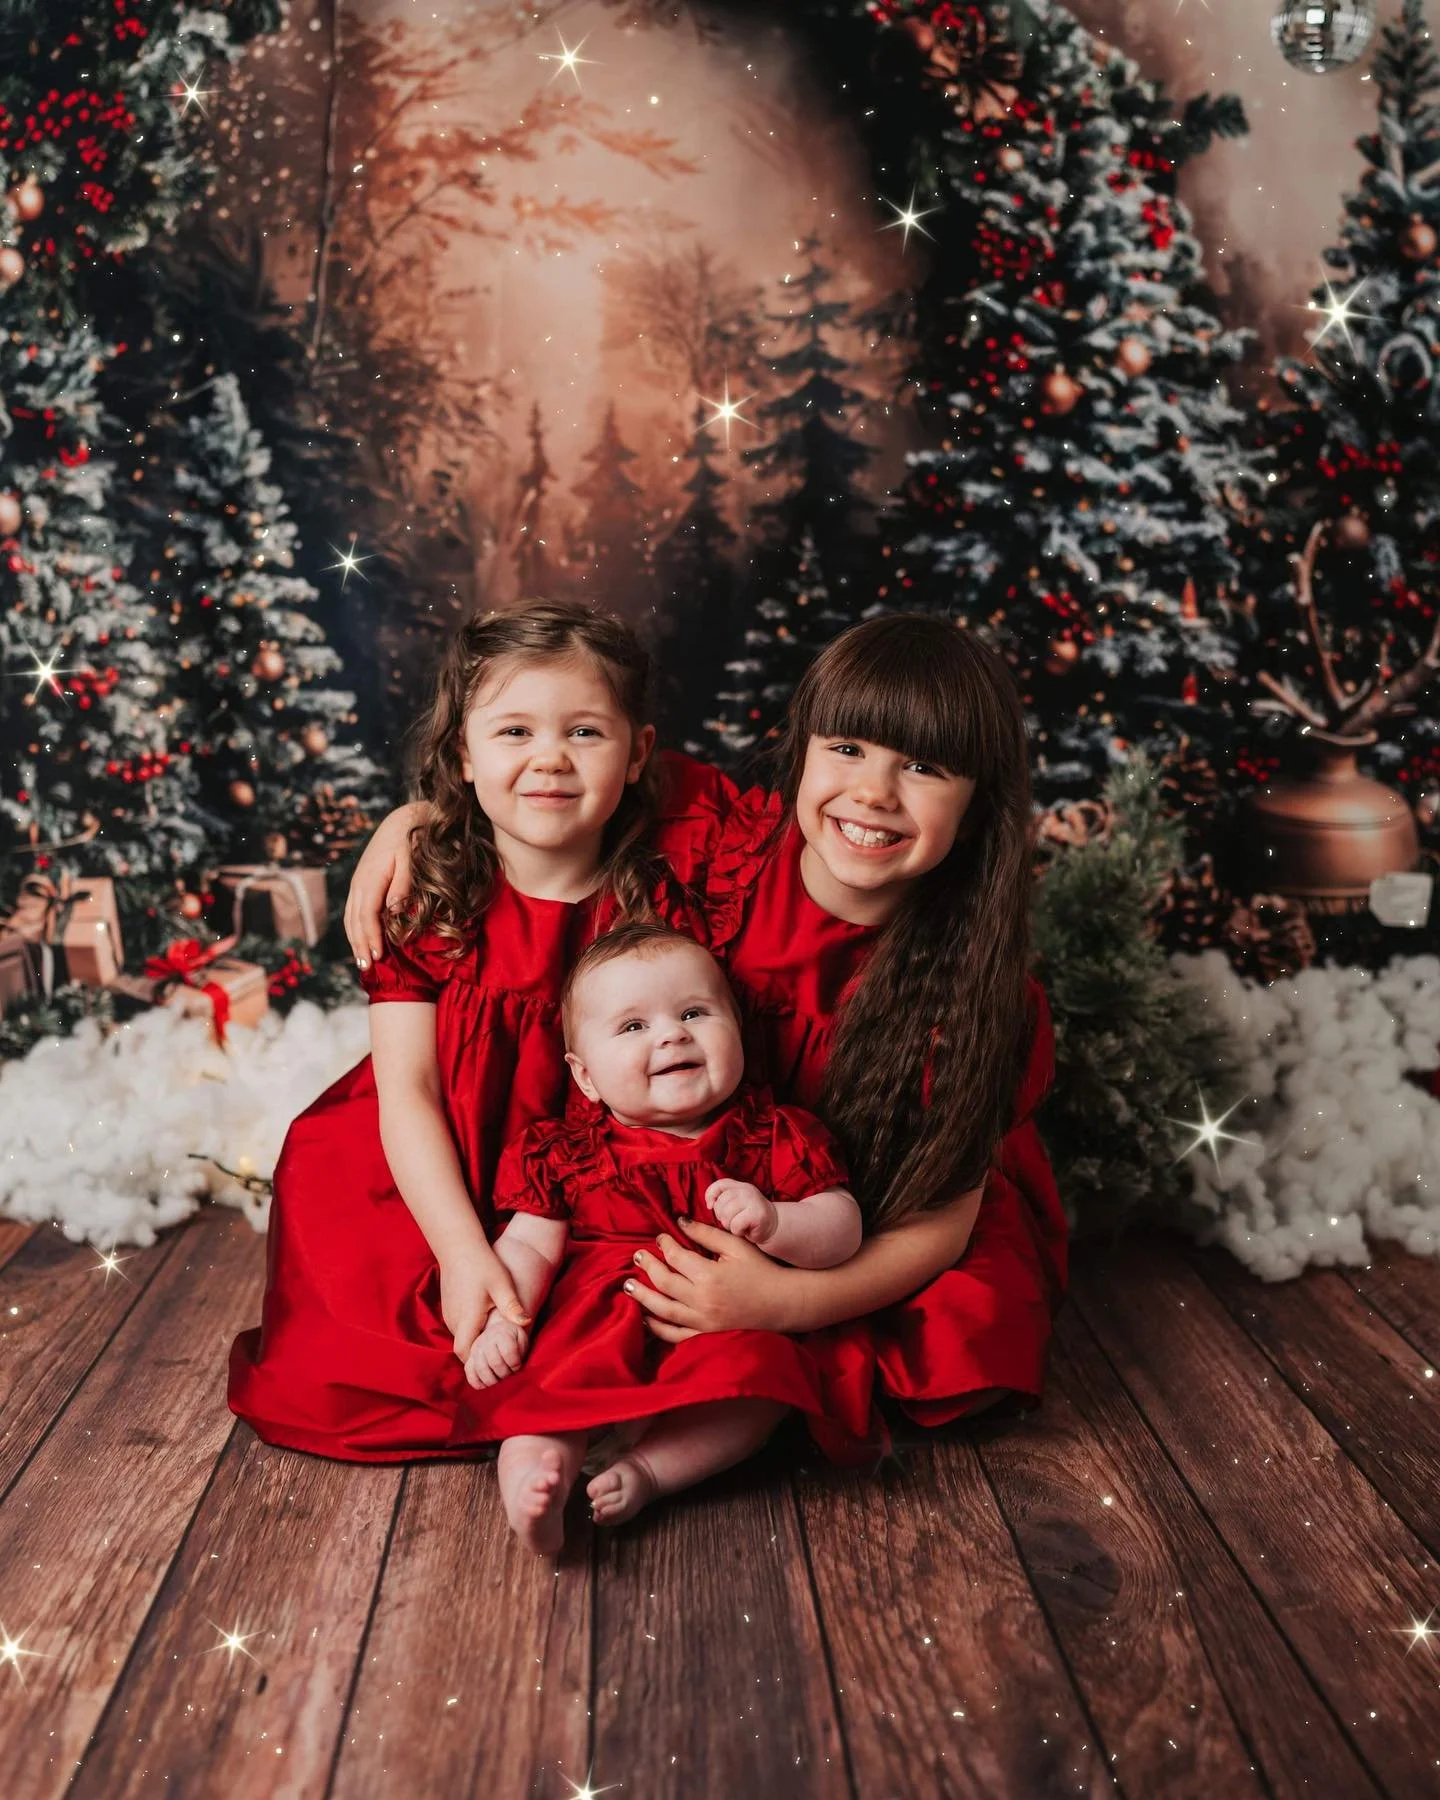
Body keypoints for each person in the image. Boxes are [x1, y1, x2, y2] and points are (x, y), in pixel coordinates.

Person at [346, 613, 1066, 1447]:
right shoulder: (723, 848)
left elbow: (942, 1222)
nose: (873, 793)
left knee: (949, 1335)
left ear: (976, 810)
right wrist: (412, 822)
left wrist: (790, 1303)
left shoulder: (981, 997)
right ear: (801, 753)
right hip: (675, 1167)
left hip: (858, 1220)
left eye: (924, 767)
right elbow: (551, 787)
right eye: (847, 750)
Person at [227, 599, 724, 1459]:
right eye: (514, 733)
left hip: (592, 1171)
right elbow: (408, 1091)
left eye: (585, 734)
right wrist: (460, 1249)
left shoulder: (665, 882)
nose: (549, 761)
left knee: (631, 1316)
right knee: (371, 1337)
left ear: (638, 753)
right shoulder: (429, 895)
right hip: (441, 1155)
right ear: (462, 750)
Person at [455, 924, 865, 1554]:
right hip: (597, 1323)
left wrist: (781, 1224)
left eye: (695, 1013)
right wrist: (509, 1318)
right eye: (632, 1027)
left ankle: (651, 1472)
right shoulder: (567, 1152)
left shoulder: (774, 1137)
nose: (672, 1033)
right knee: (545, 1401)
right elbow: (531, 1245)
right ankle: (534, 1482)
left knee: (763, 1385)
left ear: (739, 1037)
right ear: (586, 1077)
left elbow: (843, 1226)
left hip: (723, 1327)